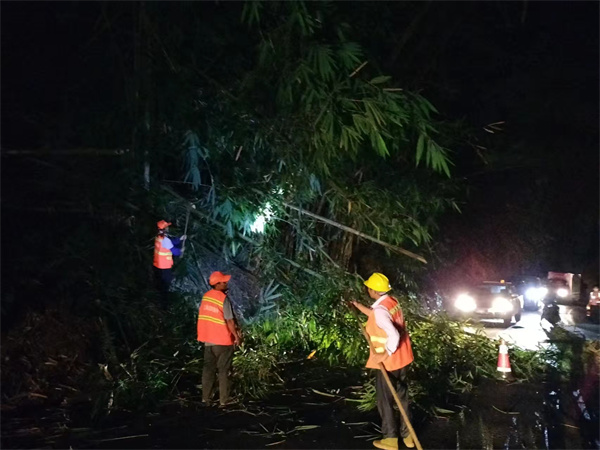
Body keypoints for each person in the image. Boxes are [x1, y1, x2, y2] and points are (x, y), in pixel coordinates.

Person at [351, 272, 415, 450]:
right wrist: (358, 306)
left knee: (385, 400)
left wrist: (385, 353)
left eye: (368, 287)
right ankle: (408, 434)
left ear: (373, 290)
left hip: (390, 362)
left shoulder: (380, 311)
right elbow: (377, 315)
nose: (367, 289)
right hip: (403, 357)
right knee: (402, 397)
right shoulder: (391, 302)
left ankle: (390, 438)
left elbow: (391, 332)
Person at [197, 271, 242, 407]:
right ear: (217, 284)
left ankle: (206, 399)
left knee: (208, 370)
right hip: (222, 340)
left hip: (208, 340)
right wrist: (236, 336)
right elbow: (229, 320)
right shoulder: (223, 298)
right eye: (223, 282)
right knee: (223, 370)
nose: (226, 283)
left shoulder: (206, 297)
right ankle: (224, 400)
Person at [153, 220, 186, 307]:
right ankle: (163, 304)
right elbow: (175, 251)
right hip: (164, 267)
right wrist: (181, 251)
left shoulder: (159, 237)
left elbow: (171, 243)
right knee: (165, 286)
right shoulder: (165, 240)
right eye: (167, 227)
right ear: (165, 229)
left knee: (160, 283)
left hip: (158, 265)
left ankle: (159, 299)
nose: (168, 228)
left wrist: (180, 239)